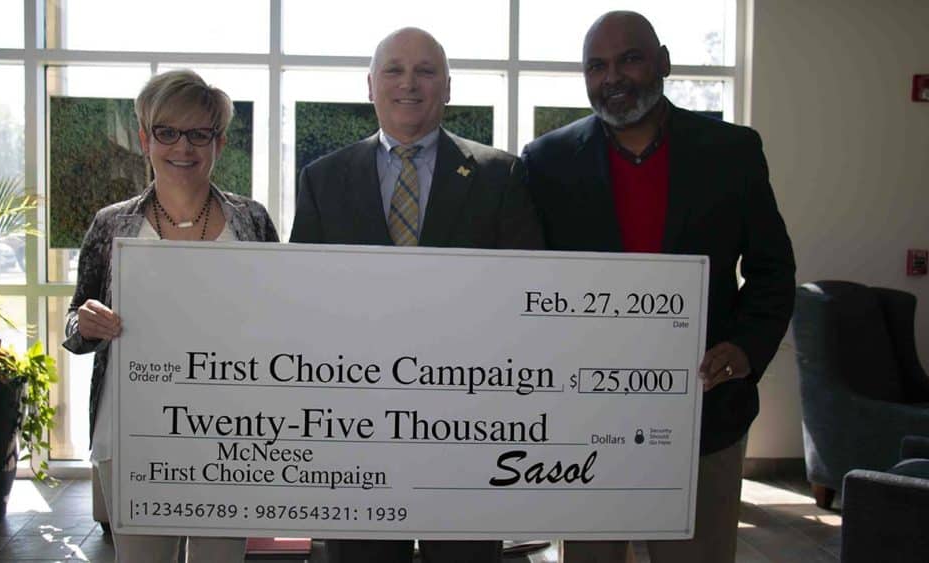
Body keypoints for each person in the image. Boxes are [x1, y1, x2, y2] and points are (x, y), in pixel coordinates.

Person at [521, 11, 795, 563]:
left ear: (663, 62)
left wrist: (744, 349)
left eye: (630, 58)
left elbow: (773, 269)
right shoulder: (546, 163)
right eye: (596, 66)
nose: (612, 77)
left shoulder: (732, 152)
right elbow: (526, 285)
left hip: (705, 411)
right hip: (588, 418)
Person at [290, 27, 543, 563]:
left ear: (447, 88)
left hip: (467, 427)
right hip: (356, 429)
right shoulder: (322, 179)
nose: (410, 83)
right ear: (370, 86)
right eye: (394, 70)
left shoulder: (501, 176)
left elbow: (528, 298)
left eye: (425, 71)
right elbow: (302, 301)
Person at [63, 69, 279, 562]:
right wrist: (88, 324)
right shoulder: (112, 224)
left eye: (199, 133)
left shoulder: (252, 221)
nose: (184, 146)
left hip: (232, 433)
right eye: (167, 132)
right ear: (145, 139)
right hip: (132, 431)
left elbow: (278, 319)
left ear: (219, 141)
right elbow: (75, 324)